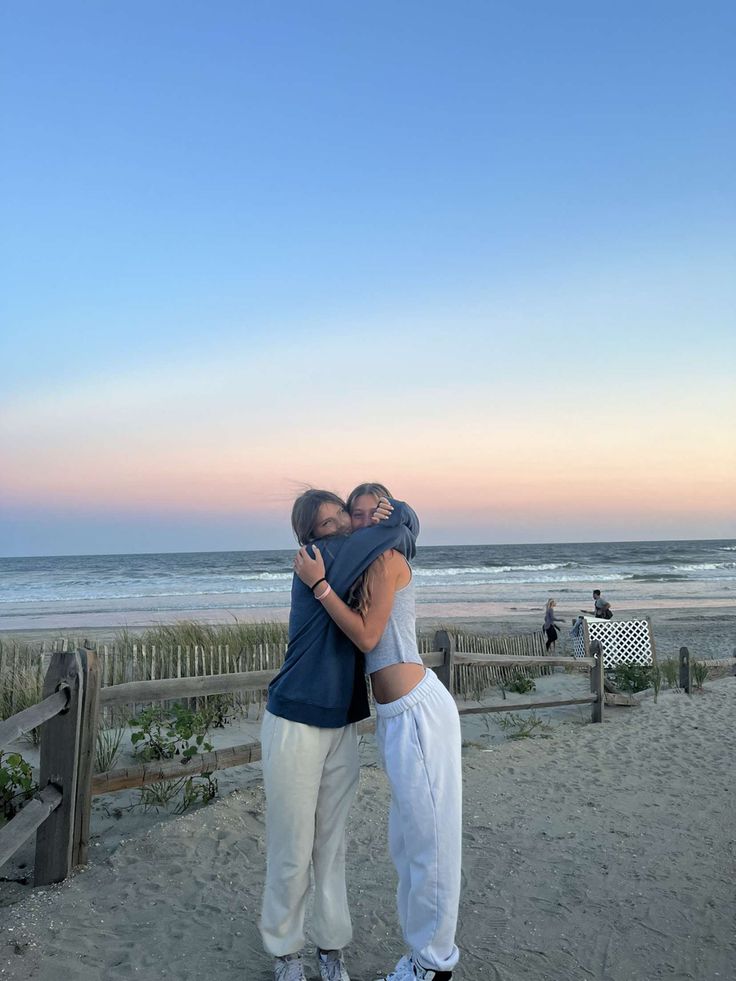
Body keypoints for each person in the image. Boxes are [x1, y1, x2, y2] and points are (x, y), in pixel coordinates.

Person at [294, 482, 461, 981]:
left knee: (431, 842)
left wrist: (320, 587)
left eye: (374, 513)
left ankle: (435, 964)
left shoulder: (387, 560)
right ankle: (421, 954)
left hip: (417, 711)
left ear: (387, 515)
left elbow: (367, 635)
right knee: (407, 843)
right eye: (355, 516)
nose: (362, 523)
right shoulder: (362, 564)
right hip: (394, 717)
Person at [260, 488, 419, 981]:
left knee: (332, 846)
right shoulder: (316, 560)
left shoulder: (348, 566)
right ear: (310, 535)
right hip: (294, 722)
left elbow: (400, 540)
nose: (343, 529)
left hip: (340, 725)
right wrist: (403, 515)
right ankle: (287, 955)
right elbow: (401, 535)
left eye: (343, 520)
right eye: (329, 524)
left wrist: (400, 517)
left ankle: (330, 950)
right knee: (292, 846)